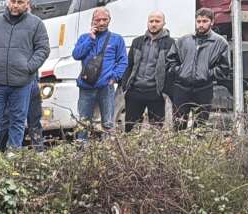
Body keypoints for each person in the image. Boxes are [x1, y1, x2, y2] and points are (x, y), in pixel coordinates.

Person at [0, 0, 50, 152]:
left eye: (20, 2)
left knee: (17, 121)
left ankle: (13, 153)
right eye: (12, 1)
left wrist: (28, 68)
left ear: (27, 3)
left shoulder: (36, 24)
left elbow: (43, 49)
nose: (15, 5)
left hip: (22, 83)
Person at [166, 8, 232, 130]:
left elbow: (224, 68)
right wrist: (179, 71)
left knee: (200, 128)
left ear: (212, 22)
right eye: (199, 21)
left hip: (204, 89)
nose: (201, 24)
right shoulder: (184, 40)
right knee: (178, 126)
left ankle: (198, 148)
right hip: (181, 88)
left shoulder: (220, 43)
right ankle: (177, 149)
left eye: (205, 21)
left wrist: (207, 74)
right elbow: (170, 60)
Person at [71, 8, 128, 141]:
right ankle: (81, 152)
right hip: (86, 87)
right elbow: (76, 55)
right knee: (84, 123)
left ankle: (106, 152)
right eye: (98, 20)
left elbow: (123, 61)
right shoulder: (84, 38)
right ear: (92, 21)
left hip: (106, 87)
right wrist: (90, 39)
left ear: (109, 20)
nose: (101, 22)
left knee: (108, 123)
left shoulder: (117, 39)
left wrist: (114, 77)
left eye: (105, 19)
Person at [120, 11, 174, 131]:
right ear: (147, 23)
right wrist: (125, 87)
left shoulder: (170, 43)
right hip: (134, 91)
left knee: (156, 129)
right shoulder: (137, 41)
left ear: (164, 23)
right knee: (130, 128)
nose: (153, 24)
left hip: (155, 93)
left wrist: (165, 91)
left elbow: (171, 70)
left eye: (157, 21)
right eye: (151, 21)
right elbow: (129, 66)